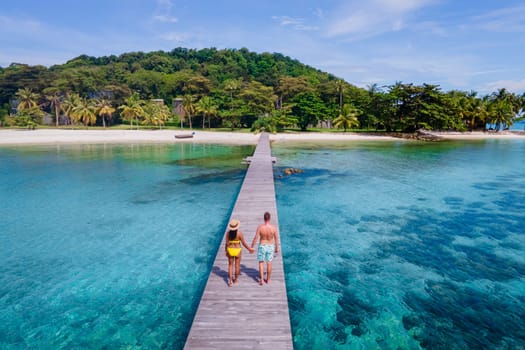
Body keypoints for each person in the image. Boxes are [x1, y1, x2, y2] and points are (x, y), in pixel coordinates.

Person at [251, 212, 279, 285]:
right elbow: (276, 239)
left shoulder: (260, 227)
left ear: (264, 218)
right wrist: (277, 248)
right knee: (269, 263)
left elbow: (255, 238)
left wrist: (252, 247)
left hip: (262, 245)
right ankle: (268, 280)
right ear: (269, 218)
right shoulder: (273, 228)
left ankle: (262, 280)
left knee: (261, 262)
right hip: (270, 246)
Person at [225, 219, 253, 287]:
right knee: (237, 265)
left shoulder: (228, 233)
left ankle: (230, 281)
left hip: (230, 249)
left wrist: (226, 251)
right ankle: (236, 280)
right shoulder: (239, 233)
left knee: (230, 265)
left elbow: (227, 243)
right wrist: (249, 249)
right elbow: (243, 243)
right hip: (237, 250)